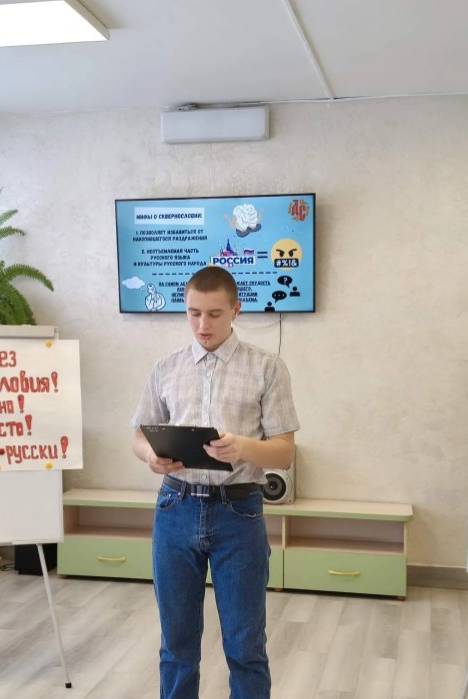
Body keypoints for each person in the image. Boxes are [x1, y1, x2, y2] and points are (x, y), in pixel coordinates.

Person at [131, 264, 299, 699]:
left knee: (245, 645)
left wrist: (242, 448)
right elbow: (139, 435)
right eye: (193, 313)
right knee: (176, 644)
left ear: (236, 310)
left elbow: (284, 451)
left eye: (214, 314)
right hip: (175, 508)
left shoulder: (267, 368)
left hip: (238, 514)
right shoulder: (166, 367)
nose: (202, 324)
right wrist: (150, 455)